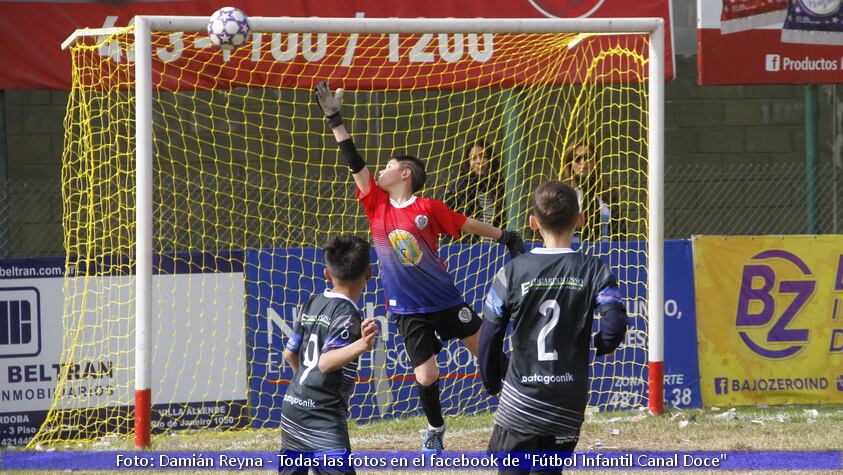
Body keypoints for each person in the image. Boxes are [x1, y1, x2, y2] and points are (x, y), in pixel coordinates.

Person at [313, 80, 524, 452]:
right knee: (427, 374)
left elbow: (465, 223)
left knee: (489, 355)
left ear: (406, 174)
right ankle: (435, 428)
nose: (381, 169)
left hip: (445, 301)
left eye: (390, 165)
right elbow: (354, 160)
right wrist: (334, 118)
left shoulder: (428, 208)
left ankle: (526, 410)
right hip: (409, 311)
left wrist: (503, 235)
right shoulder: (374, 203)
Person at [478, 180, 628, 474]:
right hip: (569, 397)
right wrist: (602, 344)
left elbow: (490, 333)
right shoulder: (595, 269)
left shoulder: (512, 272)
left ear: (533, 223)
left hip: (522, 394)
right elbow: (615, 322)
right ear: (581, 220)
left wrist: (491, 379)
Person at [279, 234, 379, 475]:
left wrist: (302, 383)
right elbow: (325, 363)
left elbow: (289, 353)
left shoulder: (312, 302)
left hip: (292, 408)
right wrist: (362, 344)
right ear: (369, 274)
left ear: (327, 273)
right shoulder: (347, 313)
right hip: (322, 417)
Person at [561, 143, 626, 242]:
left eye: (588, 157)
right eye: (577, 158)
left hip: (604, 252)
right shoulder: (560, 193)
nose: (583, 162)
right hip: (572, 252)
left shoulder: (607, 192)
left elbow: (619, 229)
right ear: (570, 162)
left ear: (595, 162)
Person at [445, 140, 505, 231]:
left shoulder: (499, 186)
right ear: (468, 162)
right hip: (468, 244)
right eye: (473, 158)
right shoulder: (458, 188)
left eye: (484, 157)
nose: (479, 161)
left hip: (495, 243)